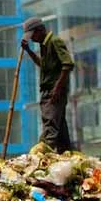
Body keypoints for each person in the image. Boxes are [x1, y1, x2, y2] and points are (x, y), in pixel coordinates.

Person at [21, 17, 75, 152]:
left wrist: (57, 88)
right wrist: (28, 50)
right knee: (60, 128)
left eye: (33, 35)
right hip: (48, 90)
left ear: (40, 30)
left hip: (54, 91)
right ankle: (64, 153)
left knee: (50, 126)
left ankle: (42, 155)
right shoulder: (44, 46)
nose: (32, 39)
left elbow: (68, 64)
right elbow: (42, 64)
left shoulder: (55, 42)